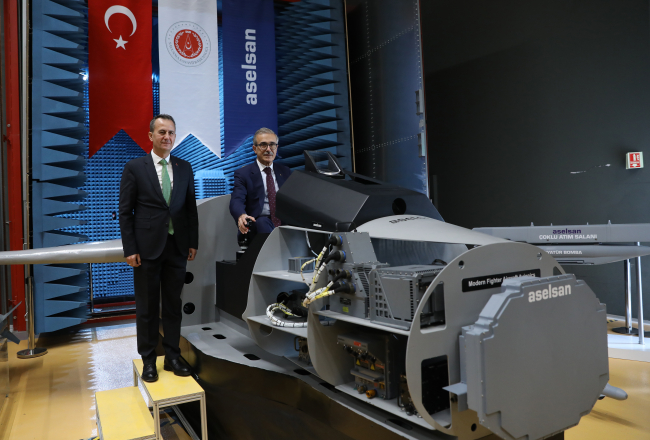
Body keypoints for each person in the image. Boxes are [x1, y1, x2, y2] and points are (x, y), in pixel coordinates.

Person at [119, 114, 199, 382]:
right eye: (162, 132)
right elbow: (125, 212)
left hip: (177, 247)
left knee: (174, 305)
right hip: (146, 250)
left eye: (171, 132)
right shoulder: (135, 167)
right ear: (150, 136)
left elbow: (190, 209)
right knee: (147, 308)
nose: (167, 137)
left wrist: (193, 242)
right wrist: (130, 248)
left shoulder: (185, 167)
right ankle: (149, 359)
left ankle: (173, 356)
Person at [229, 127, 292, 236]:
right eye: (263, 145)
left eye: (272, 145)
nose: (268, 149)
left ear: (276, 148)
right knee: (263, 222)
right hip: (257, 225)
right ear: (255, 149)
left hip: (283, 224)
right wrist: (241, 215)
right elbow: (237, 200)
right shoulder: (243, 174)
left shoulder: (285, 172)